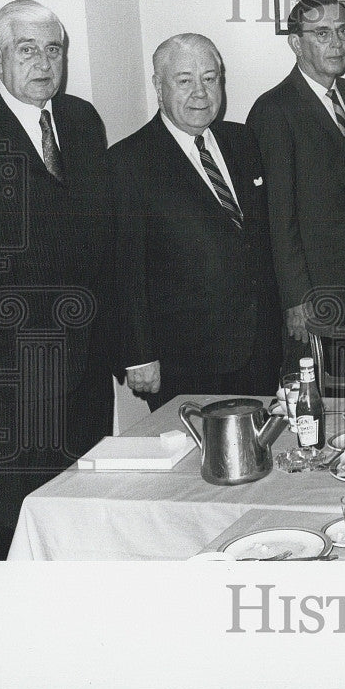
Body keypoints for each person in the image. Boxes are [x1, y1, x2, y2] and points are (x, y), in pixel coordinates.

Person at [0, 0, 114, 558]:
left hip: (86, 361)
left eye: (53, 49)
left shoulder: (81, 120)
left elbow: (104, 240)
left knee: (90, 510)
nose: (43, 63)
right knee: (27, 519)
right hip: (11, 368)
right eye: (27, 50)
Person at [111, 33, 281, 411]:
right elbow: (125, 269)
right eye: (184, 80)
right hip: (185, 360)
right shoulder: (128, 161)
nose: (201, 93)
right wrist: (138, 354)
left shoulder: (242, 139)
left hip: (261, 347)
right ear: (158, 85)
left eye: (210, 77)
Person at [247, 0, 345, 374]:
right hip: (313, 296)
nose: (337, 43)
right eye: (322, 33)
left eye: (343, 31)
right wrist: (295, 299)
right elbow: (278, 215)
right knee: (313, 409)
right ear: (296, 43)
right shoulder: (274, 110)